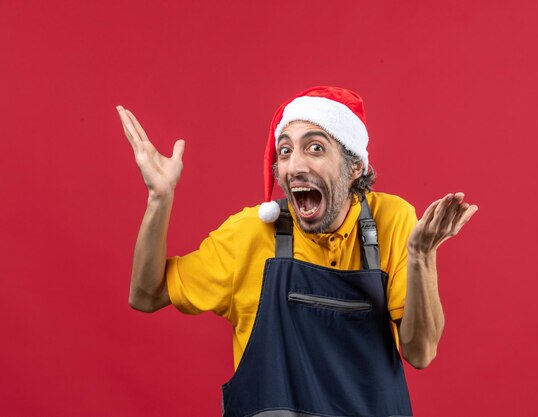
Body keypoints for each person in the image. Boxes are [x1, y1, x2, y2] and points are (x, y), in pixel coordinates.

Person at [117, 86, 478, 417]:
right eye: (285, 151)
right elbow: (146, 294)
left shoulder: (393, 221)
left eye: (315, 147)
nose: (295, 165)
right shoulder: (251, 235)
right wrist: (159, 199)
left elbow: (421, 352)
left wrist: (420, 256)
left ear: (355, 167)